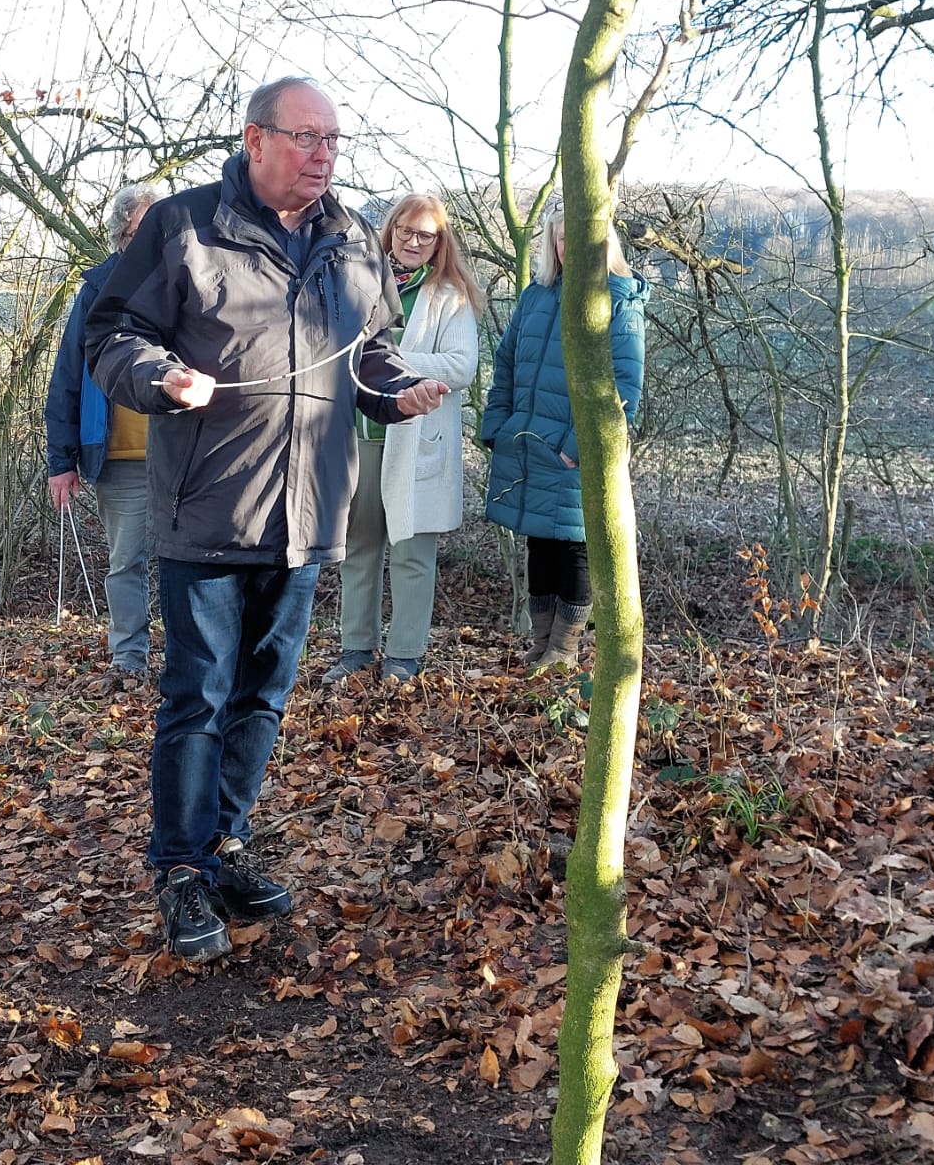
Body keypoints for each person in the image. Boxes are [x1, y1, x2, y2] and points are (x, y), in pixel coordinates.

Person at [84, 76, 448, 961]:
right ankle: (177, 869)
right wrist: (161, 379)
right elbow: (111, 336)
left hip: (309, 512)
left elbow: (370, 354)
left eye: (335, 141)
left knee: (263, 696)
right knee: (199, 695)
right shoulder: (184, 227)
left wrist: (396, 396)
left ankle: (223, 846)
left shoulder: (352, 241)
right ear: (255, 140)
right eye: (307, 138)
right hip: (208, 507)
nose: (324, 156)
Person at [478, 203, 647, 670]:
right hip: (528, 443)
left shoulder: (620, 300)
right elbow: (507, 361)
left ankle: (565, 649)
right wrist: (497, 426)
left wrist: (581, 446)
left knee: (574, 545)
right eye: (560, 237)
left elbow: (625, 386)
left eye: (579, 236)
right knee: (539, 543)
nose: (568, 246)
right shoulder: (536, 295)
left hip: (575, 452)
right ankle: (541, 644)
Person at [325, 193, 483, 685]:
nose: (414, 242)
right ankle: (356, 648)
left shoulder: (449, 295)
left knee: (413, 553)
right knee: (358, 545)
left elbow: (461, 367)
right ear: (389, 232)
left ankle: (405, 654)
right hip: (360, 435)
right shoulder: (362, 283)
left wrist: (387, 362)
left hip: (416, 440)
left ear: (440, 243)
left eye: (426, 235)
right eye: (406, 231)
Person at [46, 182, 167, 681]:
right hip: (118, 456)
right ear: (122, 235)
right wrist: (62, 461)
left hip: (187, 454)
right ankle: (129, 658)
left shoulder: (192, 282)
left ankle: (191, 658)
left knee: (195, 567)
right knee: (126, 563)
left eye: (157, 228)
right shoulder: (97, 291)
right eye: (139, 229)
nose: (147, 239)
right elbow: (68, 376)